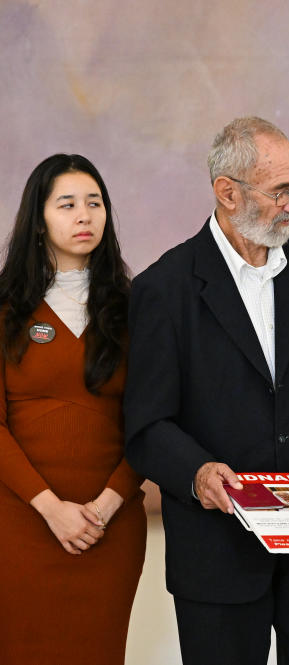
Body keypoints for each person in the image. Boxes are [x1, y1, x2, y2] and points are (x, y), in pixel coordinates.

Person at [124, 117, 289, 665]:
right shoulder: (161, 290)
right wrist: (197, 473)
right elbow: (146, 426)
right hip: (217, 555)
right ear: (227, 192)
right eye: (281, 191)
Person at [0, 154, 145, 664]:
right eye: (67, 204)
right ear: (38, 220)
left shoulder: (138, 310)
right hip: (18, 525)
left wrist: (103, 510)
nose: (84, 215)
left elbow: (154, 425)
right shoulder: (6, 309)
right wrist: (51, 508)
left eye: (95, 202)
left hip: (110, 530)